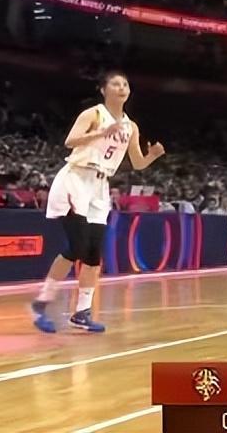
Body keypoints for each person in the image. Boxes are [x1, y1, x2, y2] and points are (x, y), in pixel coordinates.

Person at [30, 71, 165, 333]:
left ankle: (82, 313)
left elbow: (137, 163)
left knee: (93, 254)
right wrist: (102, 132)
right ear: (103, 90)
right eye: (116, 83)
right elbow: (70, 141)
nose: (122, 87)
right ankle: (41, 304)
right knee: (77, 247)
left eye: (125, 84)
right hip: (76, 179)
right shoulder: (93, 114)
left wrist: (153, 156)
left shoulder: (131, 126)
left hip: (100, 186)